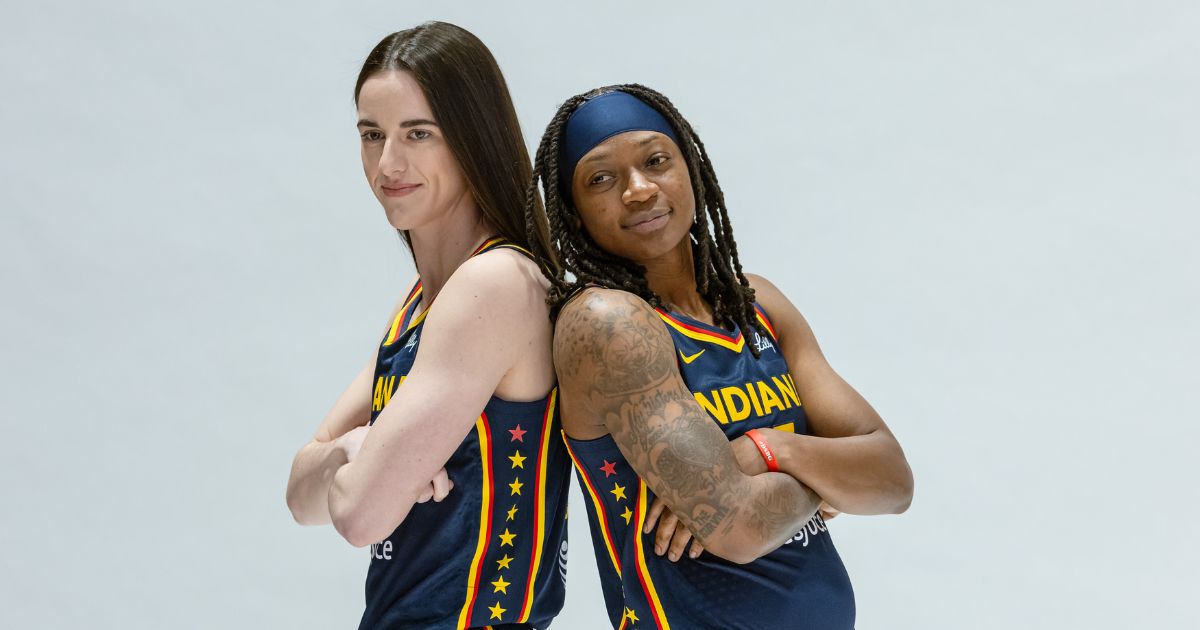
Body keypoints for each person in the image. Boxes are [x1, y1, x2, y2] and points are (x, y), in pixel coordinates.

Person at [523, 85, 914, 629]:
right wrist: (827, 474)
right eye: (601, 179)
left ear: (691, 168)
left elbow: (894, 480)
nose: (638, 191)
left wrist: (768, 449)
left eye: (656, 161)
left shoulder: (758, 304)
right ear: (574, 212)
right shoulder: (608, 325)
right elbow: (738, 528)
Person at [285, 22, 569, 630]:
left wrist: (351, 472)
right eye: (372, 134)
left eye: (418, 133)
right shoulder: (421, 303)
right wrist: (349, 449)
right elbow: (299, 499)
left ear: (472, 137)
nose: (388, 163)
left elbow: (359, 516)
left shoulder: (493, 284)